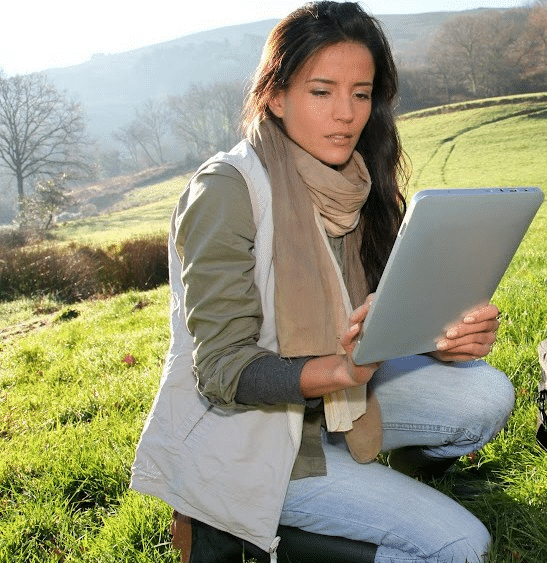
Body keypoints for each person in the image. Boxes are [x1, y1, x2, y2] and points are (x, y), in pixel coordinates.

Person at [129, 3, 515, 562]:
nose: (346, 115)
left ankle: (388, 480)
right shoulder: (227, 191)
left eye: (361, 94)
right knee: (461, 547)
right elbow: (222, 371)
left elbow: (380, 322)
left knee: (486, 392)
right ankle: (259, 530)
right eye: (322, 92)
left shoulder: (356, 182)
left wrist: (446, 337)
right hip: (260, 441)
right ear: (276, 96)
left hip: (344, 405)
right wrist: (340, 370)